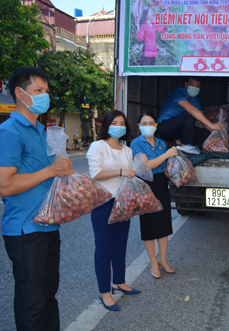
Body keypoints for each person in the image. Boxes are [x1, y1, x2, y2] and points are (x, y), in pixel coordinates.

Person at [0, 66, 72, 330]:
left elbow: (48, 176)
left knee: (47, 297)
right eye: (38, 91)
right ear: (20, 93)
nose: (45, 96)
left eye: (46, 91)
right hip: (25, 229)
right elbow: (4, 186)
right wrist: (50, 170)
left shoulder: (42, 131)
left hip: (48, 224)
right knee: (32, 301)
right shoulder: (10, 131)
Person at [86, 110, 140, 312]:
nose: (119, 126)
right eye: (115, 122)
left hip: (123, 202)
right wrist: (121, 172)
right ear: (107, 126)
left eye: (122, 123)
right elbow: (96, 174)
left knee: (120, 245)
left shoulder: (127, 150)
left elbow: (131, 174)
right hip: (103, 203)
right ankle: (104, 291)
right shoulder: (97, 146)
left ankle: (119, 281)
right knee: (103, 248)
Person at [130, 112, 178, 278]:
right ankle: (152, 262)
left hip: (160, 183)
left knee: (163, 222)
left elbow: (164, 166)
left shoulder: (160, 143)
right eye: (144, 123)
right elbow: (144, 166)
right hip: (145, 184)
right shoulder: (136, 143)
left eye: (151, 123)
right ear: (139, 126)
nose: (148, 126)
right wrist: (166, 155)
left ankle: (163, 260)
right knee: (149, 223)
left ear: (156, 125)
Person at [156, 77, 222, 147]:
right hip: (165, 128)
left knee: (206, 134)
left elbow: (202, 119)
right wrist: (211, 124)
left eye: (197, 86)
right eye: (192, 85)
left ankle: (177, 142)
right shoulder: (178, 92)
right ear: (186, 84)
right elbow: (191, 110)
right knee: (189, 115)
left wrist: (214, 132)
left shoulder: (195, 100)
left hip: (179, 131)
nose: (194, 88)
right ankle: (185, 146)